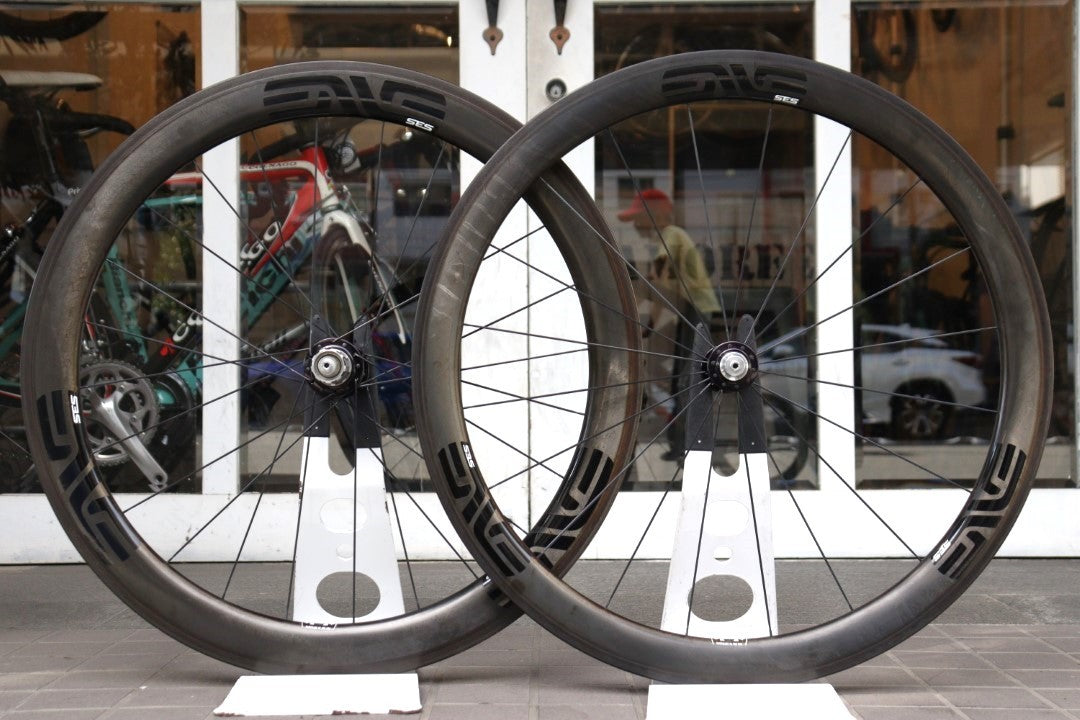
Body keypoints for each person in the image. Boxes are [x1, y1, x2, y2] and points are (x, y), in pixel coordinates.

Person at [618, 188, 720, 460]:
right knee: (681, 378)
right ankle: (680, 444)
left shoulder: (672, 234)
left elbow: (658, 273)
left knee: (689, 379)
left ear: (656, 215)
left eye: (638, 218)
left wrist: (635, 286)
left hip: (698, 312)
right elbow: (662, 289)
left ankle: (689, 447)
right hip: (690, 312)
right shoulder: (669, 237)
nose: (635, 226)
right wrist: (649, 324)